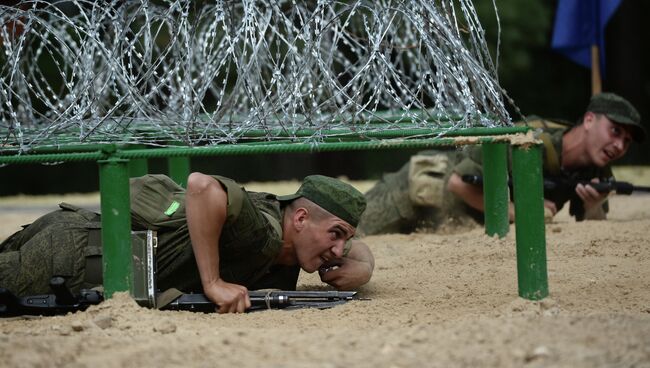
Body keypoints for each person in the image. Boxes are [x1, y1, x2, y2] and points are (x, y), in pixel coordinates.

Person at [0, 174, 374, 314]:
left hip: (77, 238)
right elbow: (201, 187)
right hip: (70, 261)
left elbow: (353, 248)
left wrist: (365, 264)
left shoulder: (287, 229)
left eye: (347, 240)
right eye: (336, 235)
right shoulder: (262, 232)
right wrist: (212, 283)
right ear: (302, 219)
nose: (339, 251)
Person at [358, 92, 646, 236]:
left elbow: (595, 229)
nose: (619, 145)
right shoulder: (527, 139)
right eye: (615, 131)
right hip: (420, 189)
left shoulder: (597, 166)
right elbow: (458, 183)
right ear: (589, 120)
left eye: (627, 141)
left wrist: (594, 205)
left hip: (452, 223)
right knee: (347, 229)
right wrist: (525, 211)